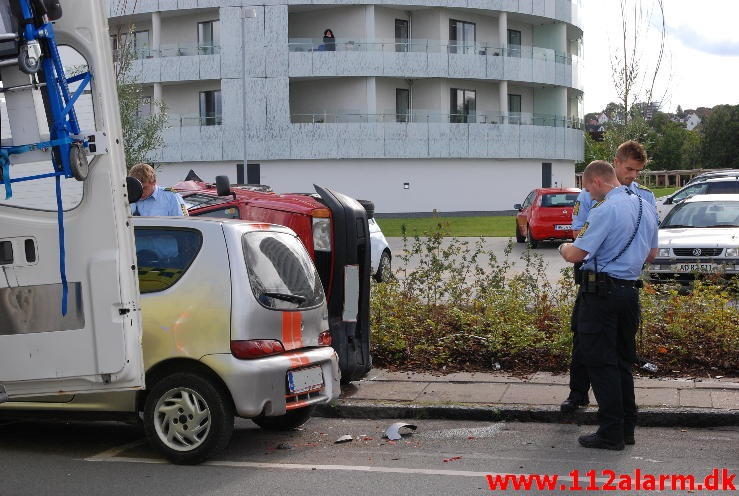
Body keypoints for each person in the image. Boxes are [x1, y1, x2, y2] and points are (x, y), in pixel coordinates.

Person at [558, 160, 658, 450]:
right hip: (630, 293)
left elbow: (576, 253)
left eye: (589, 189)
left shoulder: (605, 209)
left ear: (598, 182)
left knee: (601, 363)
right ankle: (627, 428)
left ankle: (611, 432)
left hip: (602, 296)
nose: (588, 196)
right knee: (623, 363)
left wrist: (563, 247)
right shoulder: (645, 206)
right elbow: (652, 254)